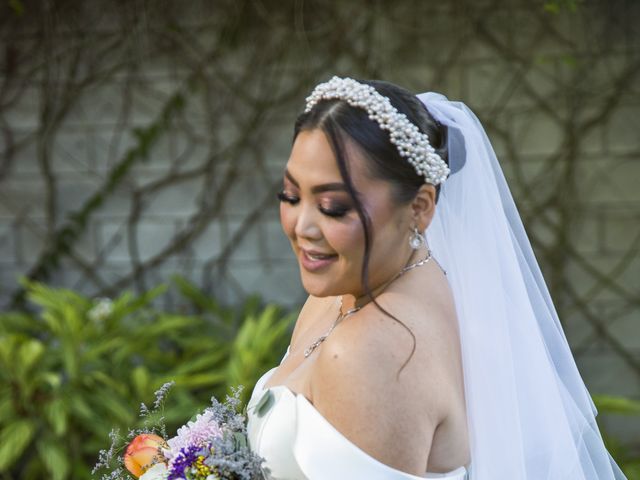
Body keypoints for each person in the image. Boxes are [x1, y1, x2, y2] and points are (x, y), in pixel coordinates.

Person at [245, 76, 627, 479]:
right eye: (290, 196)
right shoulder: (347, 290)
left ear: (420, 207)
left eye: (333, 206)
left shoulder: (371, 350)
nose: (302, 226)